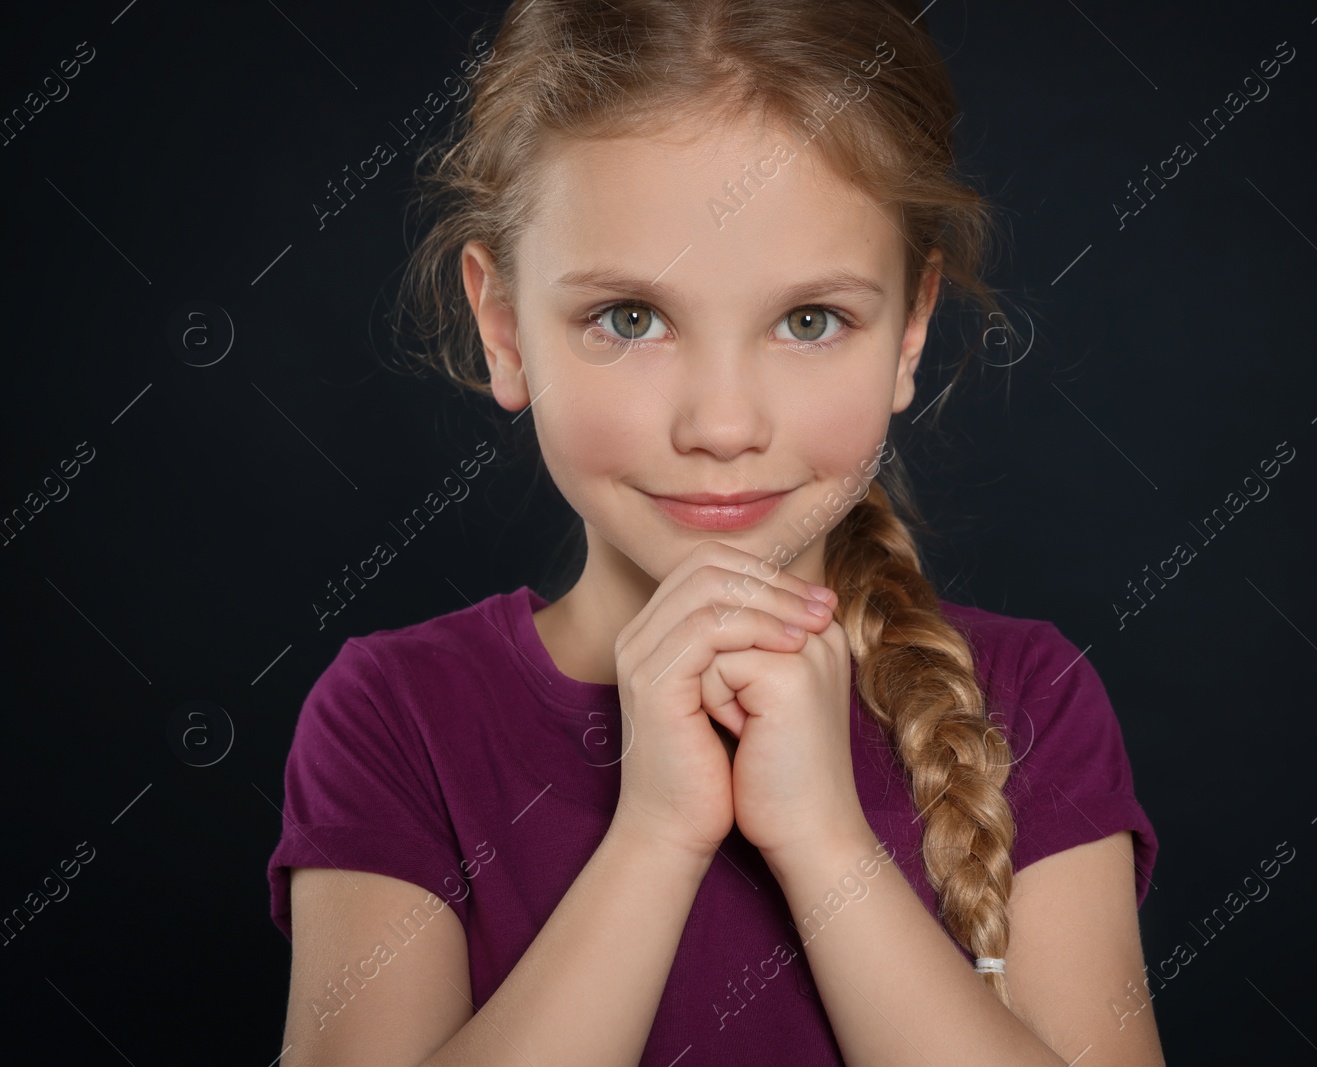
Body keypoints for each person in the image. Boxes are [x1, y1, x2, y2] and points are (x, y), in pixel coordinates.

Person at [266, 1, 1164, 1063]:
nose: (723, 425)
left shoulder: (1033, 702)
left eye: (808, 320)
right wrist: (654, 835)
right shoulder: (394, 716)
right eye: (631, 319)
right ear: (502, 325)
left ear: (910, 328)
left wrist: (826, 844)